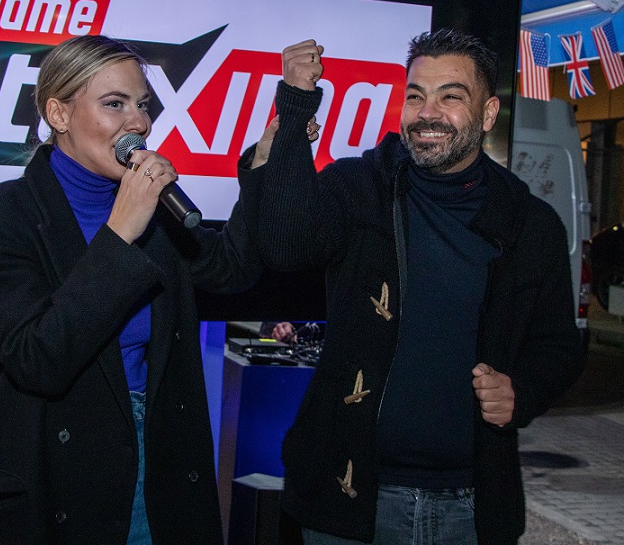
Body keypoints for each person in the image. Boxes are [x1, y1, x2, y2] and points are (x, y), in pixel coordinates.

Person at [238, 29, 585, 545]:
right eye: (416, 96)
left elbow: (559, 346)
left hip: (470, 506)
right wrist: (295, 104)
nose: (427, 113)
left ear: (488, 113)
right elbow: (285, 246)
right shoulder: (360, 187)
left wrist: (522, 390)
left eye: (451, 97)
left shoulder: (530, 225)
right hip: (348, 499)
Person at [0, 35, 289, 545]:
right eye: (115, 104)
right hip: (58, 472)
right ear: (59, 114)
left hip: (156, 452)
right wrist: (119, 233)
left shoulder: (154, 210)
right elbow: (39, 359)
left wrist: (261, 167)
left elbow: (231, 270)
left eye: (143, 104)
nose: (139, 123)